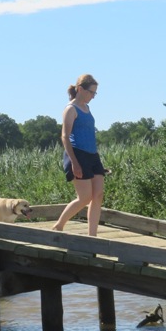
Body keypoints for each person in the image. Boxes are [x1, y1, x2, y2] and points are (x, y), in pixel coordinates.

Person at [52, 73, 108, 236]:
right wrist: (75, 163)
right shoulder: (71, 109)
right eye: (91, 92)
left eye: (95, 93)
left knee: (98, 195)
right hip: (77, 155)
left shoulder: (87, 108)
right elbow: (64, 136)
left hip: (92, 156)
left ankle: (92, 236)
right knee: (85, 198)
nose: (93, 96)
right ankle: (59, 225)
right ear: (80, 89)